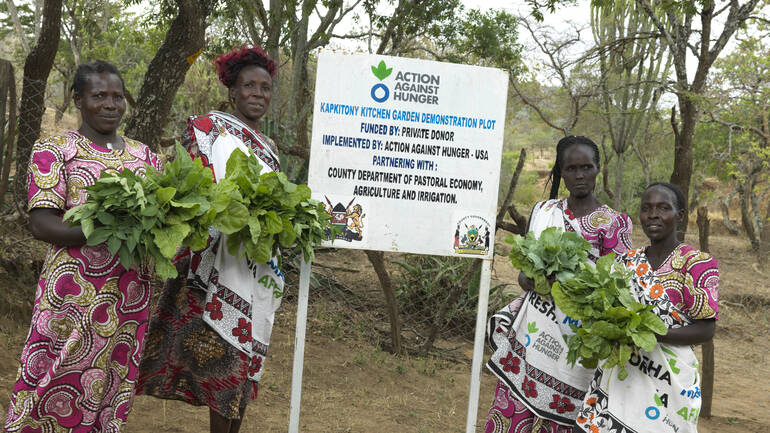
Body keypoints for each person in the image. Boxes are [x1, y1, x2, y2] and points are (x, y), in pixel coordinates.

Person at [3, 61, 161, 433]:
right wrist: (107, 226)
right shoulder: (56, 149)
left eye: (118, 97)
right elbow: (42, 223)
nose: (110, 104)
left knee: (111, 381)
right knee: (54, 376)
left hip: (129, 295)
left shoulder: (146, 157)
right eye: (99, 95)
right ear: (78, 99)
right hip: (72, 295)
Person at [136, 45, 283, 433]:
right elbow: (186, 186)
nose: (258, 94)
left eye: (265, 88)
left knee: (245, 362)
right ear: (232, 91)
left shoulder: (270, 149)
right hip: (210, 264)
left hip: (252, 266)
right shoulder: (206, 130)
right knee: (228, 363)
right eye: (248, 86)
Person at [485, 136, 633, 433]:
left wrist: (570, 286)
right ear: (561, 172)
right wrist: (532, 280)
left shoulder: (614, 223)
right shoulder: (544, 210)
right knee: (513, 413)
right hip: (533, 336)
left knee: (564, 419)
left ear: (598, 169)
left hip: (578, 341)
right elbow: (524, 273)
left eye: (587, 167)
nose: (580, 175)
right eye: (571, 168)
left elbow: (617, 288)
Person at [573, 182, 718, 433]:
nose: (653, 215)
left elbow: (706, 329)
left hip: (668, 380)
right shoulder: (625, 262)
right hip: (622, 374)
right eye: (646, 208)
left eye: (663, 208)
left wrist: (647, 334)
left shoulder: (696, 263)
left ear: (680, 215)